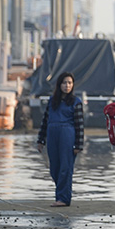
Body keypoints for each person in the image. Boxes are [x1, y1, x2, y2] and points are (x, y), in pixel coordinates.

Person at [36, 71, 84, 207]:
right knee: (54, 168)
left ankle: (63, 198)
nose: (67, 86)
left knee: (65, 168)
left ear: (73, 85)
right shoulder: (52, 101)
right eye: (64, 83)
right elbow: (45, 120)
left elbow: (80, 125)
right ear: (59, 84)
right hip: (52, 135)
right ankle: (63, 194)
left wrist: (78, 145)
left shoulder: (76, 102)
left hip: (67, 136)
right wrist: (40, 140)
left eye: (69, 83)